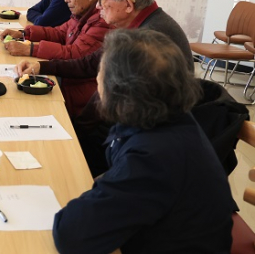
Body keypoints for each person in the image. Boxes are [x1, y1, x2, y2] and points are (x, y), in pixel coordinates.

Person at [52, 29, 233, 254]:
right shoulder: (162, 116)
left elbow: (71, 235)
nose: (98, 78)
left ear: (120, 90)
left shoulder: (153, 158)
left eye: (101, 72)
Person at [17, 0, 194, 175]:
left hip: (148, 138)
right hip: (134, 126)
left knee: (59, 159)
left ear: (128, 4)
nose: (98, 6)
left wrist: (78, 128)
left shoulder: (148, 36)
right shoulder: (137, 26)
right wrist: (41, 66)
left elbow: (115, 100)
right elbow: (91, 63)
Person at [1, 0, 111, 117]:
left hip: (79, 96)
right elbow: (58, 32)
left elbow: (75, 54)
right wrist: (24, 34)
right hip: (67, 82)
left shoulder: (101, 22)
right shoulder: (80, 15)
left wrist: (30, 49)